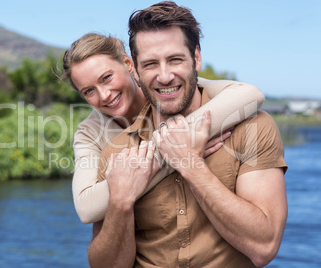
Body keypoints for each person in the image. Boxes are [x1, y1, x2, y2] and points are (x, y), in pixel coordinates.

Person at [88, 1, 288, 267]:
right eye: (150, 64)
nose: (164, 75)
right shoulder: (117, 151)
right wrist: (120, 203)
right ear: (134, 69)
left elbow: (263, 247)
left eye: (175, 59)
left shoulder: (253, 128)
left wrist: (190, 165)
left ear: (196, 57)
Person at [62, 33, 265, 224]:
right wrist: (176, 155)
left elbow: (250, 95)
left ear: (127, 63)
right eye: (89, 91)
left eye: (106, 78)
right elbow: (86, 209)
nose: (104, 95)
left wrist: (132, 175)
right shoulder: (89, 133)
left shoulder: (166, 89)